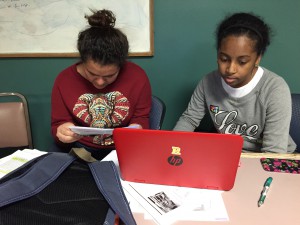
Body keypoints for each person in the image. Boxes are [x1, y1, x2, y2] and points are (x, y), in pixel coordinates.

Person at [174, 12, 296, 153]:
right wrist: (173, 148)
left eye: (242, 62)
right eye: (224, 59)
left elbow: (273, 152)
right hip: (228, 155)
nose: (230, 69)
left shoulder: (275, 89)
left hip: (270, 159)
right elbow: (189, 120)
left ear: (257, 59)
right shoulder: (208, 82)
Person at [50, 9, 152, 159]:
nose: (99, 82)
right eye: (92, 74)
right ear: (82, 62)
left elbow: (141, 118)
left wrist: (137, 129)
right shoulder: (64, 80)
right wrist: (62, 132)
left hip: (124, 148)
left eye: (110, 75)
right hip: (79, 149)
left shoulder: (137, 77)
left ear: (121, 65)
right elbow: (58, 125)